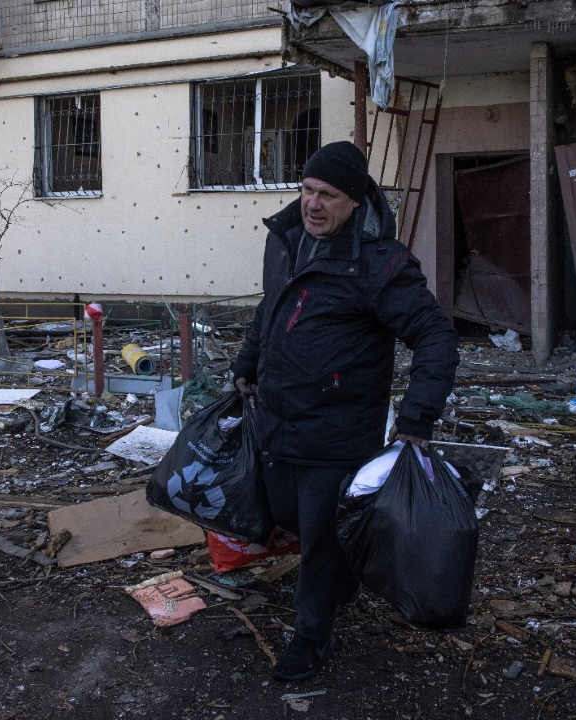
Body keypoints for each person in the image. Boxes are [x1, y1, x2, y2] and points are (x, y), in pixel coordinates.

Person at [231, 141, 459, 681]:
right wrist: (247, 361)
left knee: (318, 542)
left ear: (355, 202)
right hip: (279, 420)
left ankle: (312, 636)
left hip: (338, 432)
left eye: (328, 195)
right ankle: (344, 572)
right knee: (286, 517)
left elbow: (435, 337)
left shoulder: (379, 264)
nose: (313, 204)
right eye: (307, 190)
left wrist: (416, 419)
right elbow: (272, 305)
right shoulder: (287, 239)